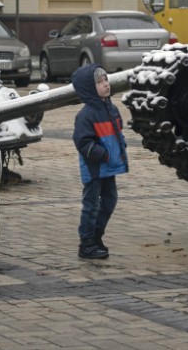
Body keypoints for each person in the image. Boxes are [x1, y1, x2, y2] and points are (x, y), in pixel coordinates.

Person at [72, 63, 128, 259]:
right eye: (100, 82)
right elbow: (82, 141)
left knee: (110, 201)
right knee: (92, 204)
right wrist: (101, 154)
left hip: (109, 167)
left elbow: (116, 134)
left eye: (106, 79)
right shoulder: (85, 115)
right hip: (95, 168)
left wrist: (121, 148)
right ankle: (86, 244)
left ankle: (96, 236)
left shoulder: (112, 109)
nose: (106, 84)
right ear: (89, 88)